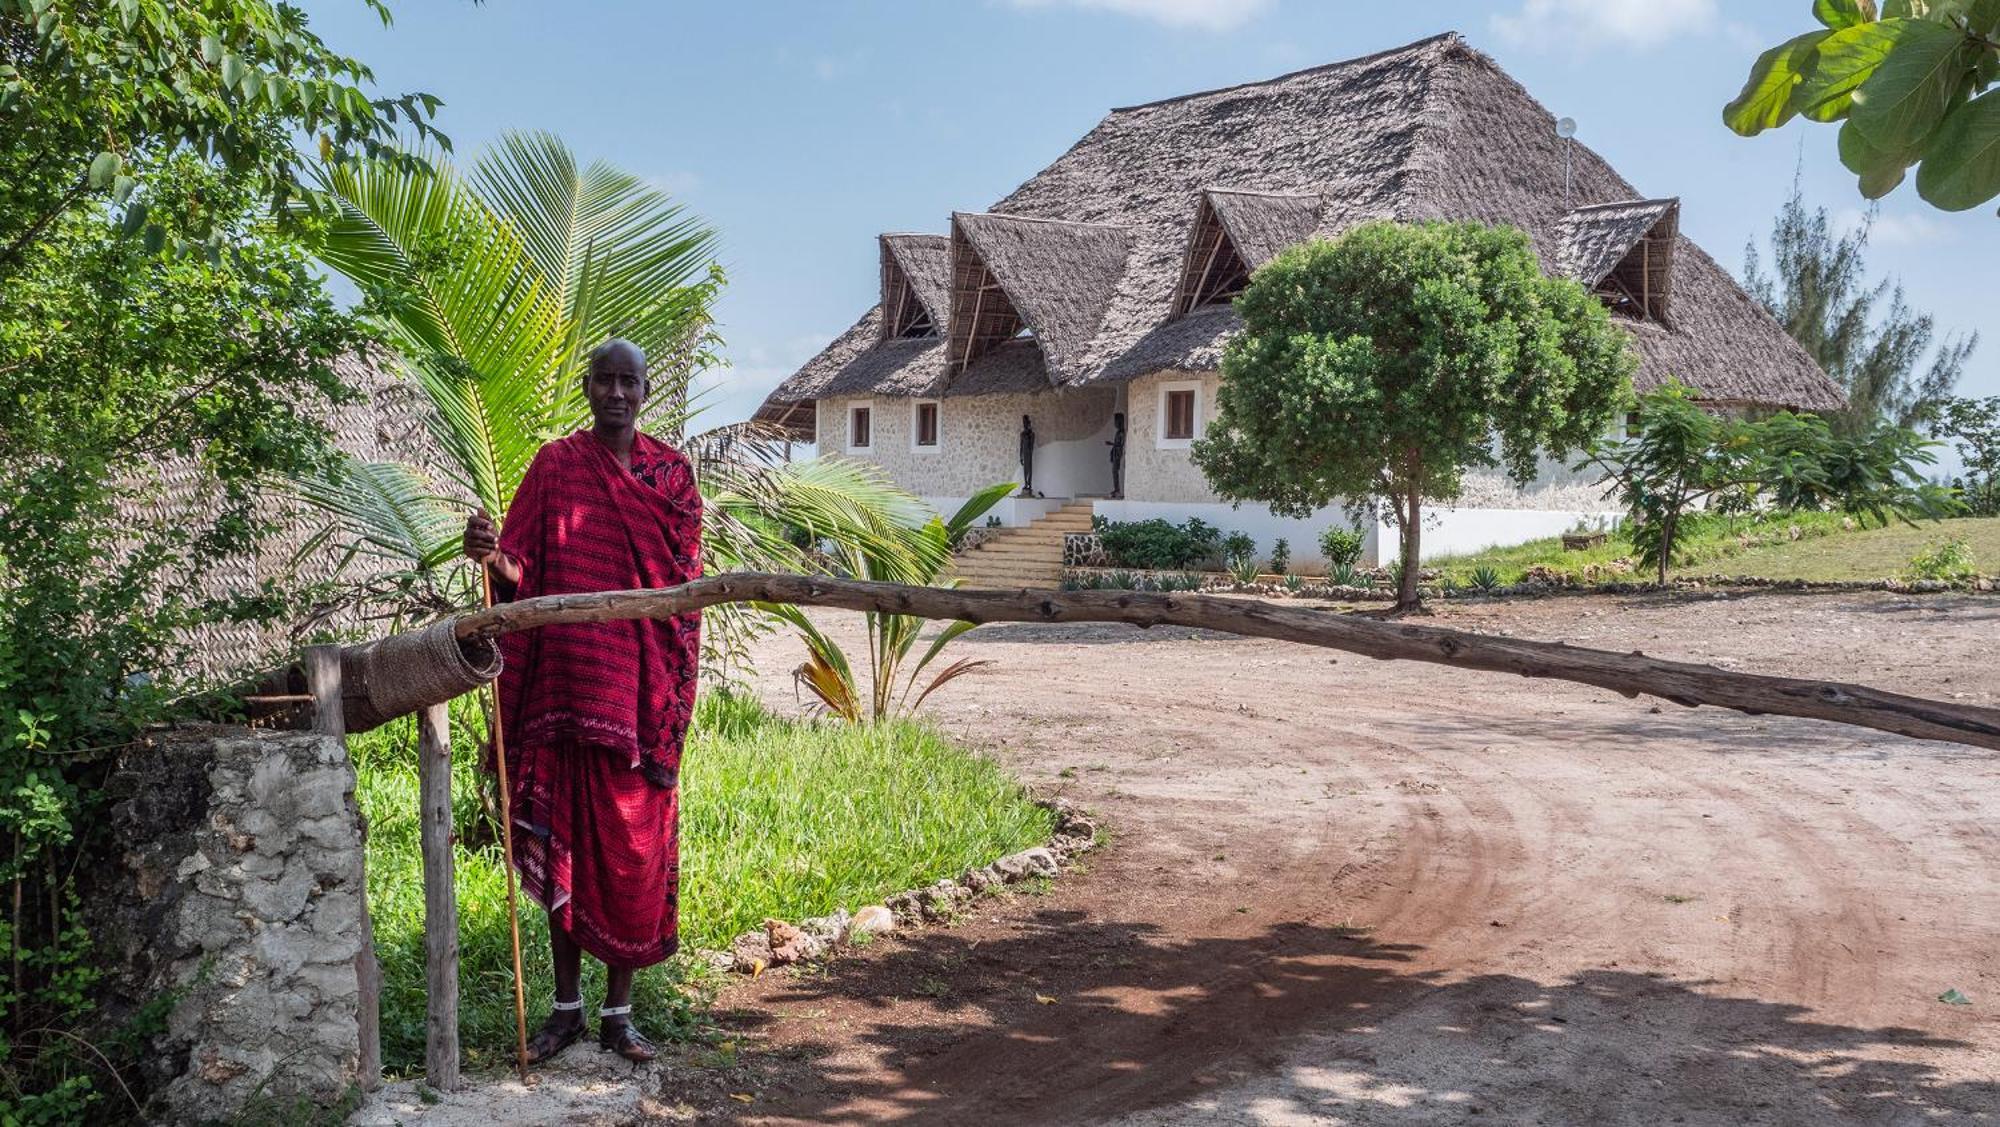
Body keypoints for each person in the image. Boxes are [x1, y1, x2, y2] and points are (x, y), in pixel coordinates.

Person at [461, 338, 701, 1064]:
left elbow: (685, 596)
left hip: (640, 695)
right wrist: (490, 554)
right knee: (563, 849)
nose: (618, 393)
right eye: (605, 381)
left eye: (631, 381)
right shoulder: (555, 466)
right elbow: (518, 571)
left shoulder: (672, 477)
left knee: (633, 852)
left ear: (647, 389)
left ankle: (618, 1014)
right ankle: (565, 1010)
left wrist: (666, 698)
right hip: (564, 693)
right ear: (588, 388)